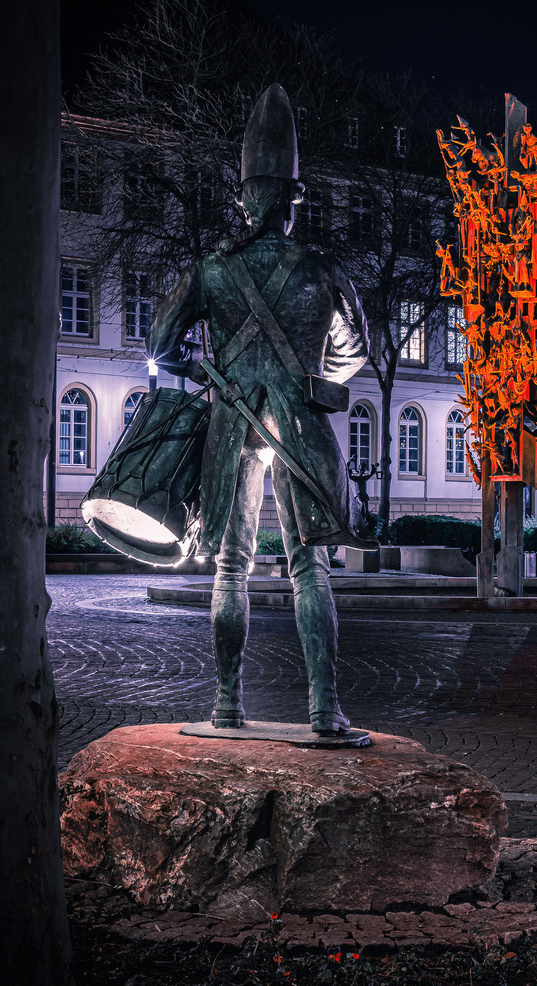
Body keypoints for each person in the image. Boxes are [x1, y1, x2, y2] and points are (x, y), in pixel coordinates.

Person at [146, 84, 375, 735]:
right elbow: (354, 353)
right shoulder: (323, 270)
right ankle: (324, 709)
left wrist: (205, 371)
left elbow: (161, 348)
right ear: (291, 204)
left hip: (232, 426)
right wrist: (309, 377)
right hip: (301, 426)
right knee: (310, 569)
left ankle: (226, 705)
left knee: (230, 565)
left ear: (246, 198)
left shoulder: (210, 272)